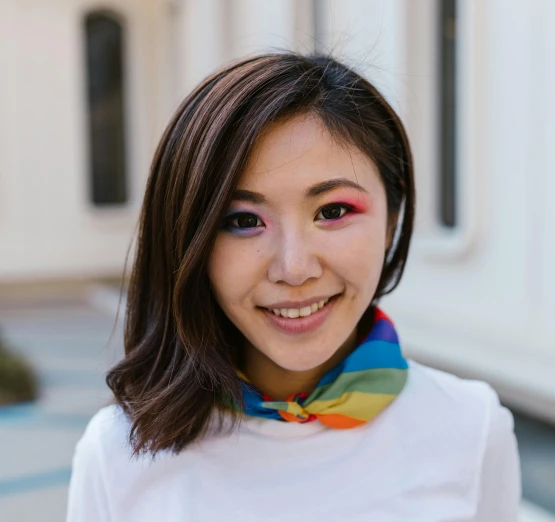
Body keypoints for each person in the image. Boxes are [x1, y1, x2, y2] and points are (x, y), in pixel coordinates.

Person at [66, 52, 521, 522]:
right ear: (189, 241)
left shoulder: (471, 426)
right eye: (243, 220)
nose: (294, 268)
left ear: (393, 217)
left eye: (333, 211)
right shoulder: (117, 453)